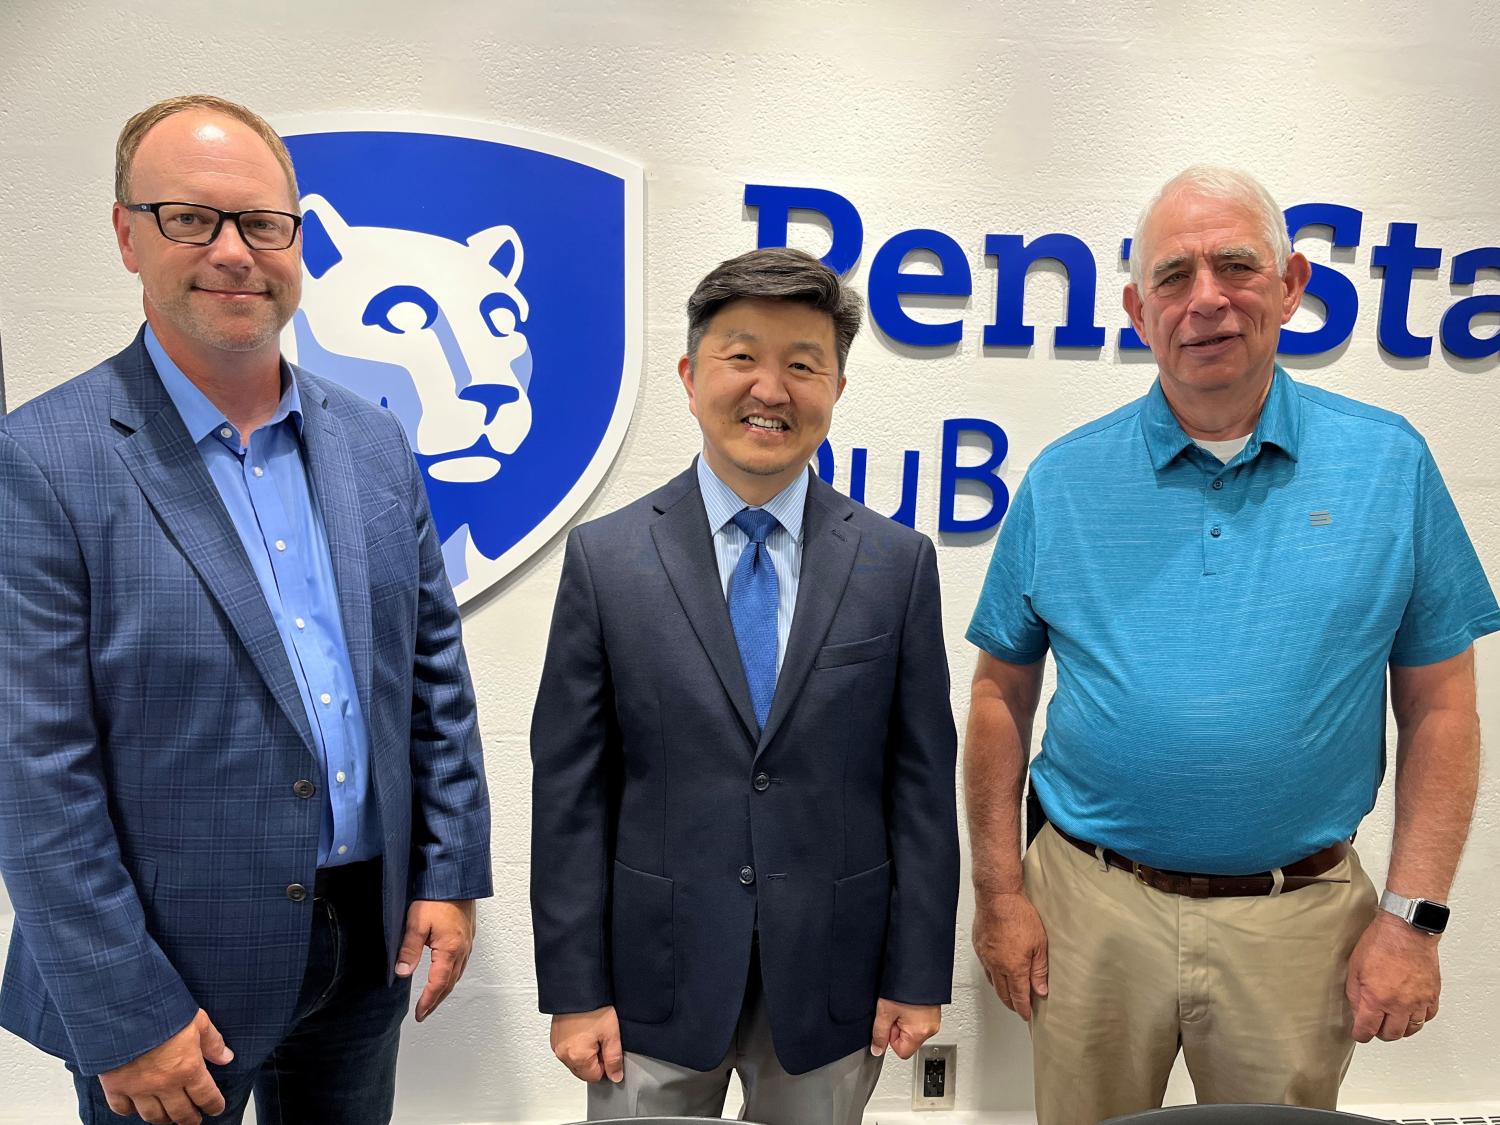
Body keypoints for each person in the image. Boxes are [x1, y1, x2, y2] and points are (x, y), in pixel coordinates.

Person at [964, 165, 1499, 1125]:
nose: (1205, 298)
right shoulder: (1065, 477)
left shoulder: (1391, 464)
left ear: (1292, 285)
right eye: (1173, 276)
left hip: (1299, 920)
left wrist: (1413, 920)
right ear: (1136, 308)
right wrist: (1000, 894)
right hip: (1092, 907)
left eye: (1236, 266)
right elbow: (1000, 694)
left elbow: (1442, 709)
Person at [0, 95, 492, 1125]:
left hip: (365, 953)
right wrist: (126, 1010)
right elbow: (34, 771)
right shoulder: (43, 460)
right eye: (192, 219)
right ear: (127, 234)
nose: (235, 252)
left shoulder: (373, 443)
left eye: (263, 224)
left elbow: (434, 676)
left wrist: (447, 874)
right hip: (169, 983)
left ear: (298, 242)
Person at [530, 247, 959, 1124]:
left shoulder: (896, 564)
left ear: (836, 389)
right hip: (648, 980)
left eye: (804, 364)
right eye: (742, 357)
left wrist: (917, 974)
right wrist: (573, 989)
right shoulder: (608, 559)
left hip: (833, 979)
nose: (772, 388)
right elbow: (570, 789)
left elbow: (919, 786)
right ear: (691, 376)